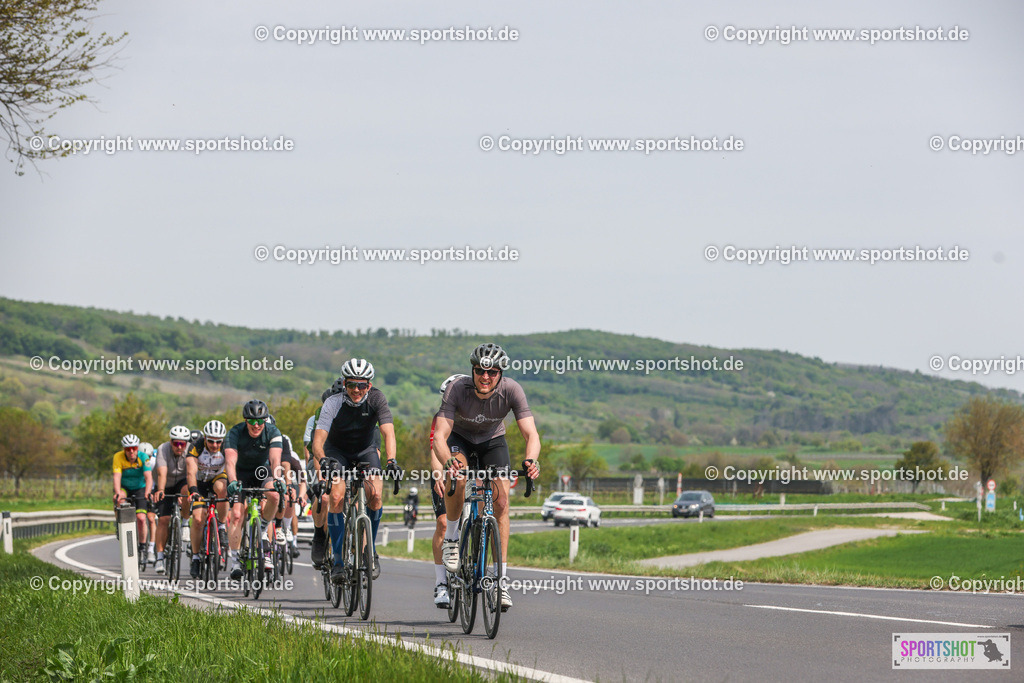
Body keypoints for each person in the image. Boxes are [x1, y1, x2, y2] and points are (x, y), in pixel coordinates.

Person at [433, 344, 540, 612]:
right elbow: (440, 435)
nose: (485, 376)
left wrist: (531, 459)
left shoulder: (512, 390)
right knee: (457, 477)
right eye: (480, 370)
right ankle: (453, 540)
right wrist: (447, 461)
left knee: (501, 504)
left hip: (493, 441)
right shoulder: (457, 388)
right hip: (461, 439)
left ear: (500, 373)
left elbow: (531, 434)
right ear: (473, 370)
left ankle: (501, 581)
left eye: (492, 372)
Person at [310, 359, 400, 586]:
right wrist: (323, 460)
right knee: (337, 496)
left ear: (369, 385)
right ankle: (339, 561)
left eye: (362, 385)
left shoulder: (378, 398)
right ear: (344, 383)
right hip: (336, 451)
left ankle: (370, 549)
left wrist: (391, 460)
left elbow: (388, 433)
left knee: (376, 495)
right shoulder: (332, 402)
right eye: (351, 385)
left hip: (365, 450)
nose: (357, 390)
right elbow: (318, 441)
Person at [224, 399, 286, 579]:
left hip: (262, 471)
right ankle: (235, 561)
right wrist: (233, 481)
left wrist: (277, 479)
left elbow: (275, 460)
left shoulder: (273, 431)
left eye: (260, 421)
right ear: (245, 421)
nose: (256, 425)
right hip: (240, 473)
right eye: (251, 421)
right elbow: (230, 461)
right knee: (236, 514)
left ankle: (263, 529)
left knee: (274, 495)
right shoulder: (235, 433)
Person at [429, 373, 467, 608]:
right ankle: (441, 582)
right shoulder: (440, 417)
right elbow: (434, 450)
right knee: (443, 523)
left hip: (468, 473)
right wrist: (437, 476)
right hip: (445, 473)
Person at [186, 420, 230, 579]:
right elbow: (191, 471)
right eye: (211, 441)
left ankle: (222, 526)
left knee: (222, 489)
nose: (215, 444)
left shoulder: (227, 446)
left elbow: (232, 466)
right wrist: (193, 491)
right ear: (205, 438)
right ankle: (196, 557)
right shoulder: (195, 447)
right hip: (199, 482)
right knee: (198, 520)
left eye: (219, 441)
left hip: (217, 479)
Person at [152, 425, 193, 574]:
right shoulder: (163, 449)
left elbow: (191, 473)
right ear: (171, 442)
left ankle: (185, 523)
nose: (179, 447)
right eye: (176, 443)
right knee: (163, 520)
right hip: (166, 483)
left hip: (182, 481)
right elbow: (162, 473)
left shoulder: (190, 449)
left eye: (182, 443)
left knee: (187, 490)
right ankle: (160, 558)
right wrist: (161, 490)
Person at [112, 433, 153, 559]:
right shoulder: (118, 457)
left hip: (140, 488)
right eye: (128, 449)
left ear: (137, 448)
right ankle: (119, 523)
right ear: (124, 449)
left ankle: (142, 546)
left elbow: (148, 477)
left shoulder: (144, 457)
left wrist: (148, 492)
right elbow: (117, 476)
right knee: (119, 497)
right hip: (125, 487)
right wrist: (118, 492)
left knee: (141, 518)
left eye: (134, 448)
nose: (131, 451)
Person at [138, 441, 158, 564]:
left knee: (151, 519)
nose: (147, 460)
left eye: (149, 457)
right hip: (140, 490)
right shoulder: (136, 463)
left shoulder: (155, 463)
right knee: (140, 518)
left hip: (152, 490)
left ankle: (151, 549)